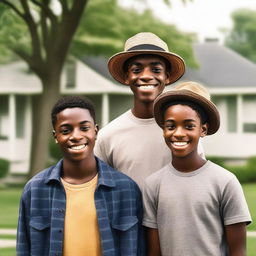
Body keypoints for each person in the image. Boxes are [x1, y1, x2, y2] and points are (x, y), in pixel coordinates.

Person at [16, 96, 145, 256]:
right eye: (65, 130)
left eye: (84, 128)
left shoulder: (127, 189)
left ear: (96, 131)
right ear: (56, 136)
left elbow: (139, 249)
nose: (76, 136)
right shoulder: (34, 190)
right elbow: (23, 249)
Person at [143, 82, 252, 256]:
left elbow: (238, 251)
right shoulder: (153, 185)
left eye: (188, 126)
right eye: (171, 126)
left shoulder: (225, 182)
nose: (178, 133)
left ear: (203, 129)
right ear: (163, 130)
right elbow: (153, 251)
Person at [94, 32, 204, 189]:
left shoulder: (184, 132)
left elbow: (199, 182)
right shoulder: (108, 135)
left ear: (167, 77)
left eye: (156, 69)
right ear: (126, 77)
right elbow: (98, 191)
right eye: (137, 70)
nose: (146, 76)